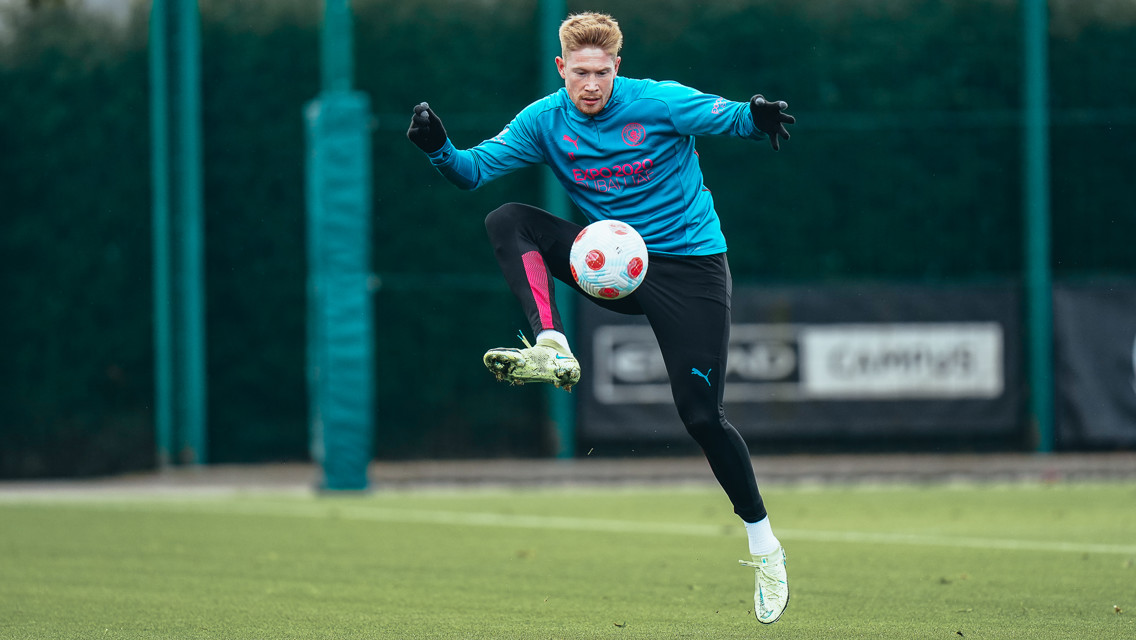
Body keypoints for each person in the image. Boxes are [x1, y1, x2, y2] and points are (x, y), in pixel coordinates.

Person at [407, 11, 795, 624]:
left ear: (618, 68)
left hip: (689, 270)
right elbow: (471, 171)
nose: (591, 85)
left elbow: (729, 116)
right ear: (561, 68)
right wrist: (437, 148)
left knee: (701, 416)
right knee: (507, 219)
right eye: (580, 73)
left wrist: (758, 116)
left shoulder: (658, 102)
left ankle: (765, 546)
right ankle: (552, 343)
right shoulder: (544, 120)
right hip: (609, 268)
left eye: (602, 73)